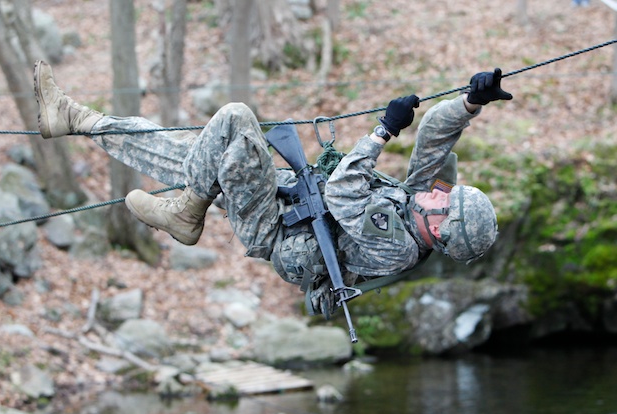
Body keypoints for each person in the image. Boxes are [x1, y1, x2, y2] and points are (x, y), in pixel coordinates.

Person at [33, 61, 512, 315]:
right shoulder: (420, 211)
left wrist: (382, 133)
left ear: (440, 229)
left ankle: (186, 213)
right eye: (447, 194)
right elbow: (434, 141)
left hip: (274, 228)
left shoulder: (396, 241)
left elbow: (344, 192)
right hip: (289, 197)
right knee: (180, 151)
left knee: (235, 119)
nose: (442, 193)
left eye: (447, 202)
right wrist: (471, 102)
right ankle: (75, 118)